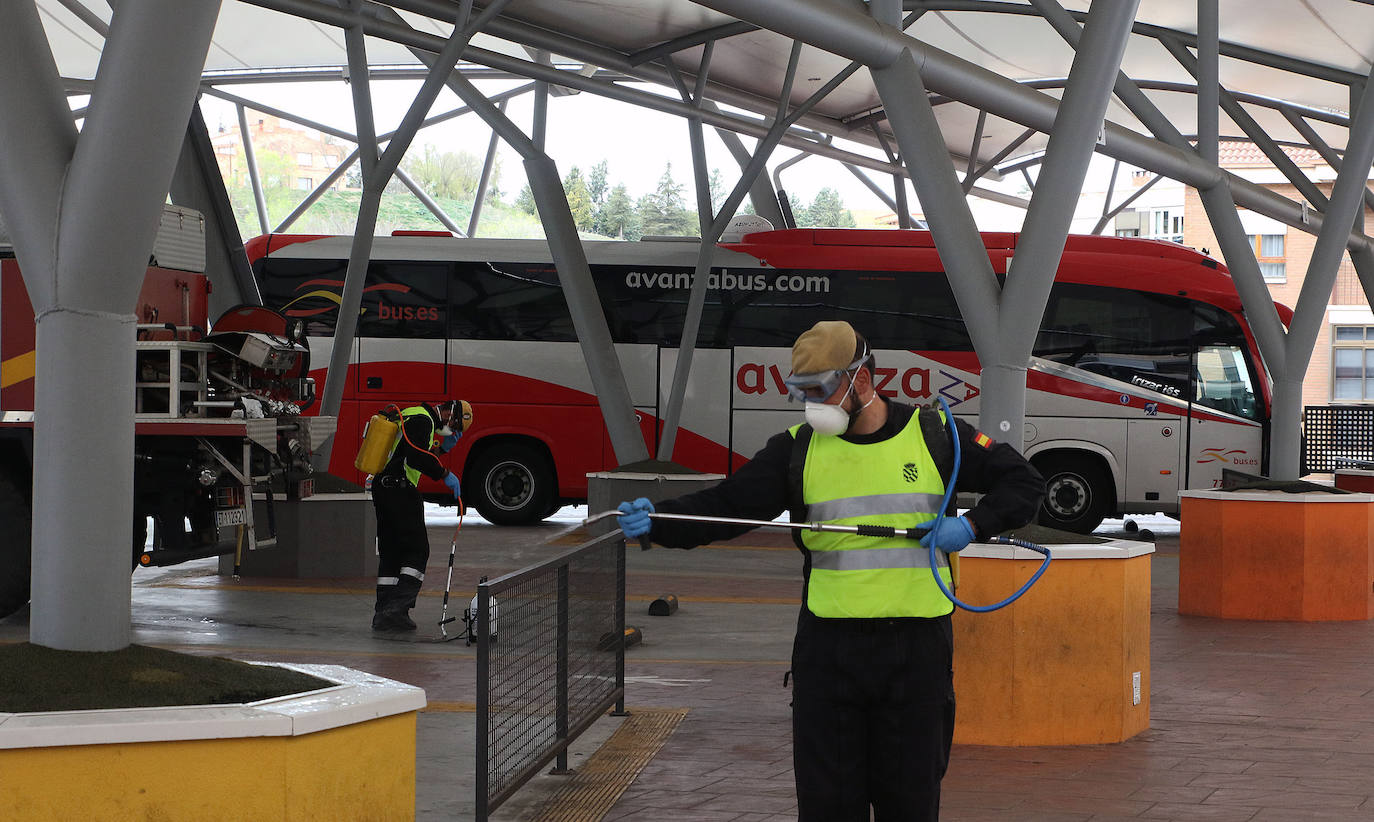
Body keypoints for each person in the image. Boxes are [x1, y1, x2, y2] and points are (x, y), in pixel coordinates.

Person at [617, 320, 1043, 821]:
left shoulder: (935, 435)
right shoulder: (795, 449)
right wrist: (659, 522)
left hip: (916, 653)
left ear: (861, 380)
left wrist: (972, 525)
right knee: (826, 806)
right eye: (801, 392)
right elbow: (727, 506)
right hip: (829, 653)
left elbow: (1024, 481)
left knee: (909, 803)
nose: (810, 404)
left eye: (820, 390)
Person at [371, 399, 473, 632]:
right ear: (448, 412)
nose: (452, 430)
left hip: (384, 487)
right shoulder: (424, 420)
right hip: (399, 489)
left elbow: (410, 451)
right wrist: (445, 473)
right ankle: (395, 609)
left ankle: (384, 613)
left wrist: (442, 450)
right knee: (417, 551)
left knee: (392, 552)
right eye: (455, 425)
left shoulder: (412, 414)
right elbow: (415, 458)